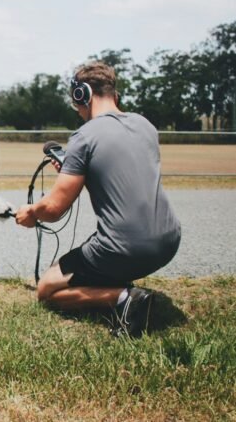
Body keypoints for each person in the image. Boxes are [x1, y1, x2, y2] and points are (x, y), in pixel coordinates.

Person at [15, 61, 181, 337]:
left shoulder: (84, 136)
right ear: (114, 94)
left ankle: (123, 299)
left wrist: (31, 213)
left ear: (82, 95)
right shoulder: (146, 127)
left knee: (47, 289)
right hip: (168, 242)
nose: (77, 111)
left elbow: (54, 209)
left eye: (75, 102)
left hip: (123, 248)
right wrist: (78, 168)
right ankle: (123, 287)